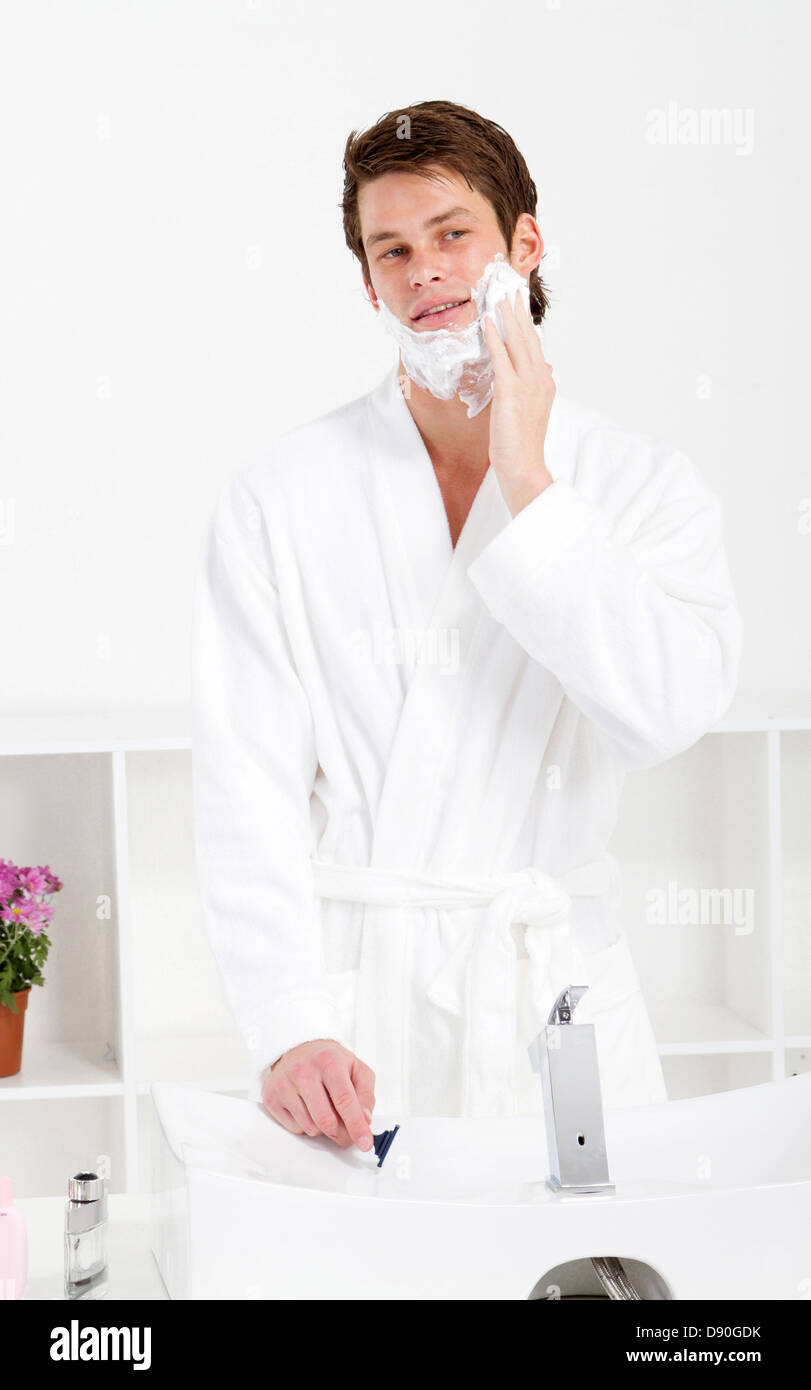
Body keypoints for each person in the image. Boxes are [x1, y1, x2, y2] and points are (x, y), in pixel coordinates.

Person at [190, 99, 742, 1155]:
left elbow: (666, 712)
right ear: (368, 283)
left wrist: (530, 484)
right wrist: (286, 1024)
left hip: (558, 990)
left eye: (452, 234)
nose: (424, 271)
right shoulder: (280, 497)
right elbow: (243, 785)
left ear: (522, 245)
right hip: (359, 1017)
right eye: (391, 249)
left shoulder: (637, 487)